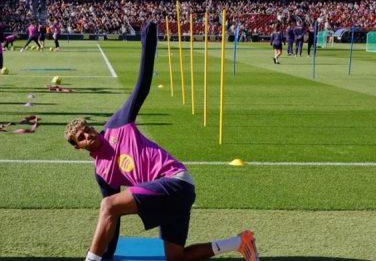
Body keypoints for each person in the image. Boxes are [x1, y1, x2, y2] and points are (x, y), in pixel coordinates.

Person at [64, 22, 259, 261]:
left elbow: (142, 87)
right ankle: (241, 242)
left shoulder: (117, 124)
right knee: (175, 258)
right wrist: (108, 255)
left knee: (107, 205)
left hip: (175, 181)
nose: (88, 135)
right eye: (81, 137)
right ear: (78, 146)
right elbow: (113, 219)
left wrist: (148, 44)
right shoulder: (102, 172)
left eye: (88, 129)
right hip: (167, 197)